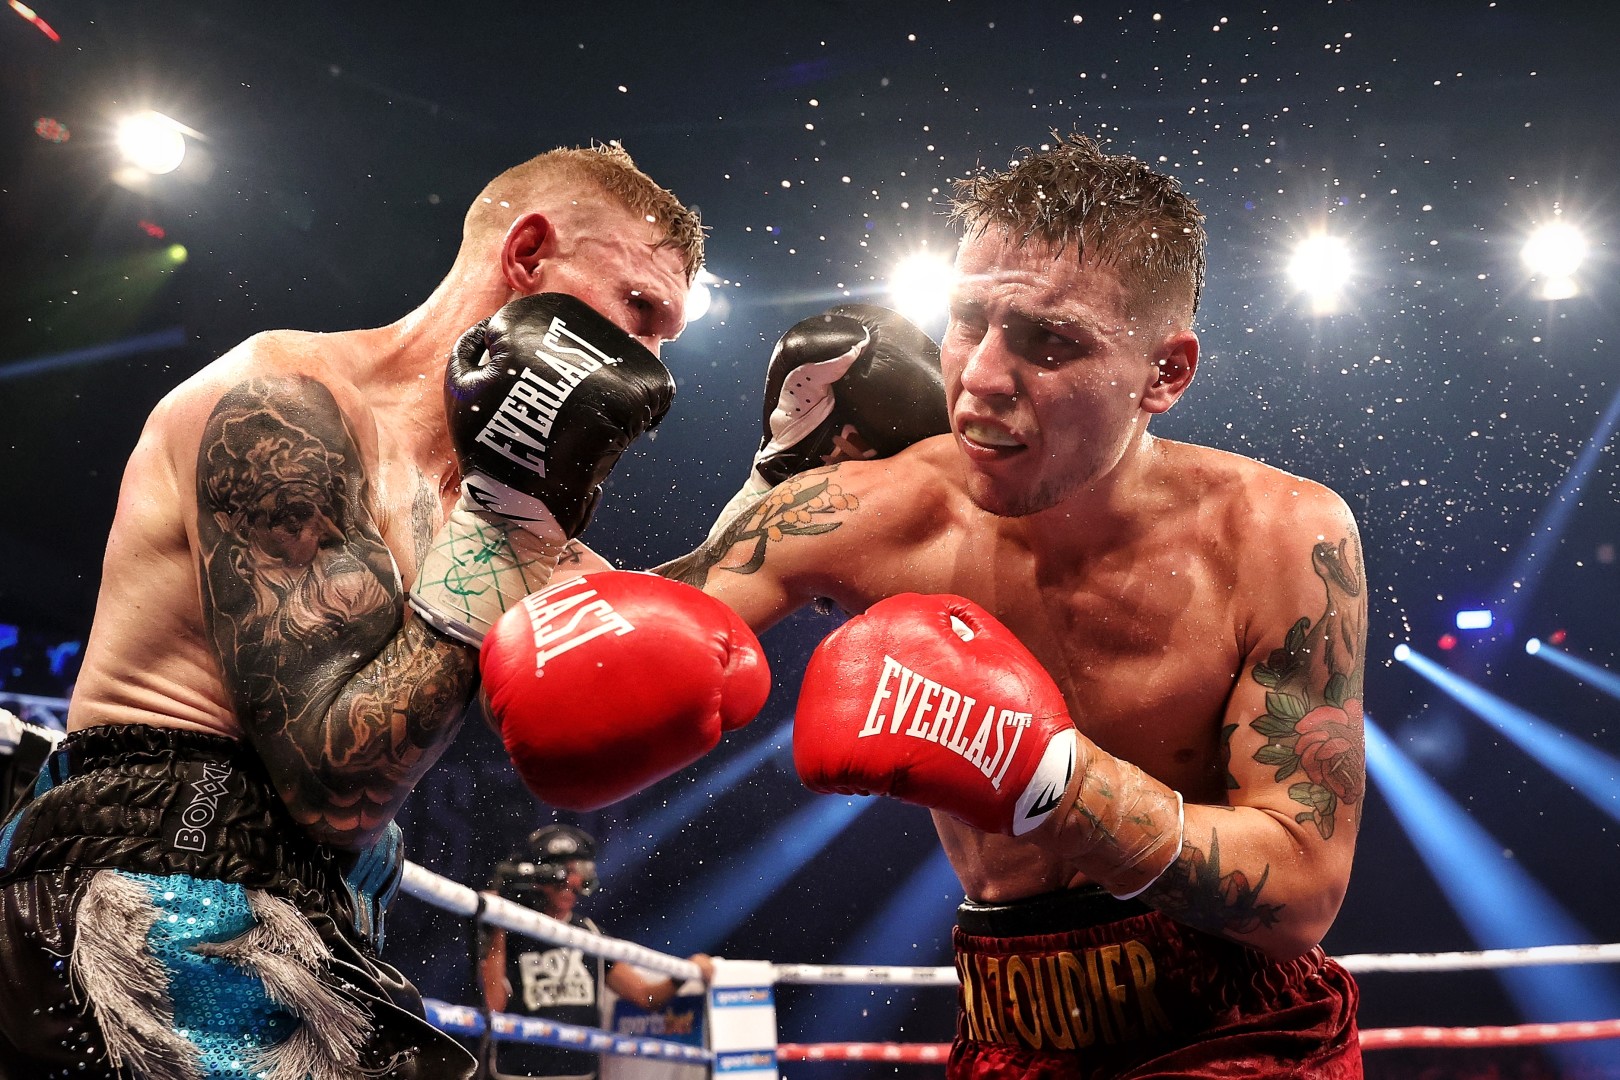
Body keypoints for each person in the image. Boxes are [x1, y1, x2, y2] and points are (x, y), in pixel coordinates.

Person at [497, 132, 1367, 1077]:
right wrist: (519, 497)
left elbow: (1302, 892)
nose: (982, 377)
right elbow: (587, 663)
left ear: (1165, 372)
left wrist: (1046, 778)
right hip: (1007, 1027)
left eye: (1050, 340)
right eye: (966, 322)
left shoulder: (1282, 536)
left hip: (1243, 1029)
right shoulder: (873, 512)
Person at [0, 143, 709, 1080]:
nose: (649, 363)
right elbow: (332, 780)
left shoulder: (505, 500)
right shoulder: (281, 406)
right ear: (528, 254)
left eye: (667, 339)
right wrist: (510, 512)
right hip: (153, 889)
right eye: (639, 309)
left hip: (323, 912)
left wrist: (791, 504)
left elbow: (660, 637)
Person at [478, 825, 712, 1080]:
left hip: (580, 1076)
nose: (569, 880)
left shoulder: (591, 935)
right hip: (515, 1077)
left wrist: (685, 972)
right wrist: (497, 921)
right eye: (559, 870)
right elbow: (493, 1006)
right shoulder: (511, 929)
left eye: (577, 870)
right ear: (537, 875)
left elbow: (646, 997)